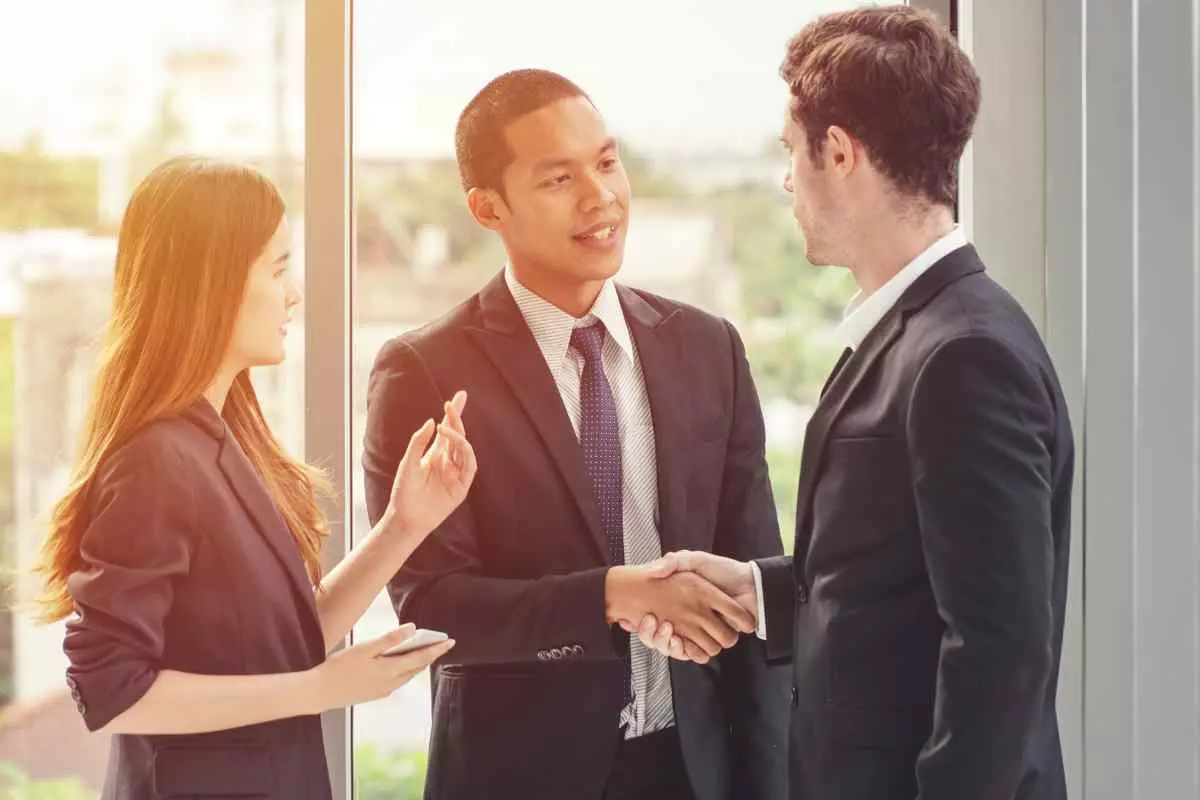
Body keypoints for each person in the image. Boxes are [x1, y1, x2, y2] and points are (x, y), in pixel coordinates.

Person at [635, 7, 1075, 800]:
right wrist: (758, 591)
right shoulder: (919, 330)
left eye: (789, 153)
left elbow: (1000, 652)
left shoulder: (963, 355)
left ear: (839, 152)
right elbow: (904, 580)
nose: (785, 179)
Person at [362, 69, 789, 800]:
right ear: (487, 207)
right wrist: (607, 596)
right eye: (559, 178)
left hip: (694, 772)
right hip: (518, 778)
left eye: (607, 162)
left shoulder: (707, 348)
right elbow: (431, 604)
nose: (600, 197)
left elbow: (753, 579)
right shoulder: (425, 372)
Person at [34, 156, 476, 800]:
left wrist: (405, 526)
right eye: (277, 269)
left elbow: (285, 644)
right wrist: (325, 688)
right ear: (206, 285)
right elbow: (112, 692)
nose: (294, 293)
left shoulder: (225, 437)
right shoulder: (156, 460)